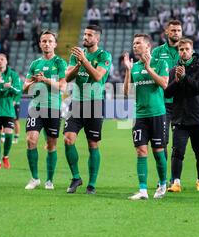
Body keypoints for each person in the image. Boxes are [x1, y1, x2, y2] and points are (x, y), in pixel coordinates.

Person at [64, 25, 112, 195]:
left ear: (97, 38)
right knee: (68, 139)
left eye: (89, 35)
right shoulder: (76, 55)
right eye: (84, 34)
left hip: (94, 103)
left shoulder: (104, 55)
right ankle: (76, 177)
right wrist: (78, 64)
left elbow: (98, 76)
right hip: (76, 103)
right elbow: (67, 77)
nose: (85, 37)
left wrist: (84, 60)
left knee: (93, 144)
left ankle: (91, 184)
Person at [123, 34, 169, 200]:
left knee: (158, 152)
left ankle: (163, 184)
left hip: (157, 114)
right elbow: (127, 93)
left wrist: (149, 68)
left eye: (138, 43)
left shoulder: (160, 63)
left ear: (147, 46)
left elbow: (164, 84)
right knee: (141, 151)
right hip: (140, 116)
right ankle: (143, 190)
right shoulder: (134, 67)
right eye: (133, 43)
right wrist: (128, 70)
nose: (134, 46)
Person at [22, 31, 67, 190]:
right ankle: (34, 178)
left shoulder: (60, 63)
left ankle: (49, 180)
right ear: (40, 44)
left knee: (51, 144)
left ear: (55, 44)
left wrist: (45, 80)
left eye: (49, 41)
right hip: (35, 107)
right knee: (31, 140)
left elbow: (62, 87)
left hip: (53, 107)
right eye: (43, 41)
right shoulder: (35, 64)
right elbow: (24, 88)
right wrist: (32, 81)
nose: (46, 44)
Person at [164, 38, 199, 192]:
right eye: (181, 49)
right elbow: (167, 93)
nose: (183, 52)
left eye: (186, 49)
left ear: (192, 51)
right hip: (180, 118)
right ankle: (176, 182)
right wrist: (176, 81)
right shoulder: (174, 70)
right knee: (177, 152)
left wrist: (184, 78)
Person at [151, 20, 182, 159]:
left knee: (179, 143)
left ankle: (175, 178)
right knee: (162, 142)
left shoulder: (186, 51)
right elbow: (152, 74)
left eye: (178, 30)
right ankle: (163, 178)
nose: (176, 33)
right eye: (173, 30)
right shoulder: (157, 52)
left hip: (181, 103)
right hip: (162, 103)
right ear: (167, 32)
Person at [12, 77, 22, 144]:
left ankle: (16, 138)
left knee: (16, 121)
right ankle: (3, 137)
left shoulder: (18, 83)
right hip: (8, 104)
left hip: (16, 104)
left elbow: (19, 93)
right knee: (4, 119)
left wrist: (15, 101)